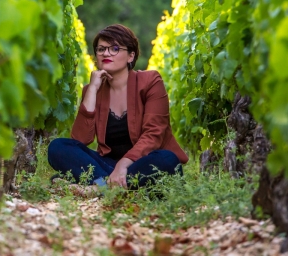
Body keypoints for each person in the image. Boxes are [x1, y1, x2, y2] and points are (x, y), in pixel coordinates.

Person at [48, 24, 188, 190]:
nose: (106, 53)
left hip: (144, 161)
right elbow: (80, 140)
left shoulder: (150, 81)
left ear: (131, 56)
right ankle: (113, 186)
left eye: (114, 48)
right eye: (101, 49)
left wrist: (123, 164)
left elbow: (154, 134)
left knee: (167, 160)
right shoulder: (92, 90)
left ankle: (97, 185)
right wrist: (92, 89)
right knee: (58, 147)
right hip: (109, 165)